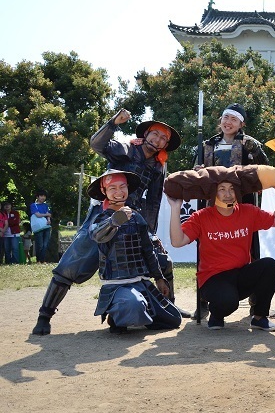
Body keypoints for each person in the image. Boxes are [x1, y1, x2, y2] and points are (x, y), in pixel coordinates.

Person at [32, 109, 183, 336]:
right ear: (147, 134)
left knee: (163, 260)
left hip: (133, 219)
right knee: (74, 262)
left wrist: (151, 233)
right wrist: (113, 123)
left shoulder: (158, 167)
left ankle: (167, 304)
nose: (158, 140)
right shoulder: (126, 149)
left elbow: (153, 202)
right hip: (103, 215)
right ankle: (45, 315)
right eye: (156, 134)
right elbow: (97, 145)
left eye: (164, 138)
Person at [166, 164, 275, 331]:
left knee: (270, 265)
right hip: (212, 278)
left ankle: (260, 317)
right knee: (228, 302)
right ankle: (216, 314)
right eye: (222, 189)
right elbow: (177, 241)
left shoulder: (247, 211)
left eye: (232, 189)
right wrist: (175, 208)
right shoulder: (202, 216)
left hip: (240, 274)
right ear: (213, 192)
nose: (228, 194)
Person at [191, 103, 268, 321]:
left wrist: (254, 150)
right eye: (226, 117)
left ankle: (256, 302)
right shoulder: (207, 145)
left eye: (234, 119)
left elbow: (264, 168)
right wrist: (198, 171)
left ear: (241, 124)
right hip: (212, 207)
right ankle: (204, 302)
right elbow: (194, 172)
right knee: (207, 248)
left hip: (242, 206)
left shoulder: (249, 144)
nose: (228, 122)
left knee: (250, 248)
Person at [89, 170, 181, 334]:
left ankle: (133, 312)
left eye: (122, 187)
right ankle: (117, 314)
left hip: (141, 282)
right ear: (104, 192)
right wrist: (114, 220)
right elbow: (96, 235)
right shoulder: (100, 218)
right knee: (135, 305)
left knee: (173, 319)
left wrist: (159, 278)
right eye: (113, 188)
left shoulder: (137, 217)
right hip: (116, 285)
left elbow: (148, 250)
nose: (118, 192)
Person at [30, 190, 52, 263]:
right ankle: (38, 260)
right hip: (38, 227)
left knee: (45, 245)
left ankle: (42, 260)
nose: (43, 197)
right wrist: (47, 215)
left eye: (44, 196)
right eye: (41, 196)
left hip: (46, 226)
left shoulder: (46, 205)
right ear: (37, 197)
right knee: (40, 245)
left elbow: (48, 214)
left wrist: (49, 220)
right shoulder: (33, 205)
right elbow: (37, 215)